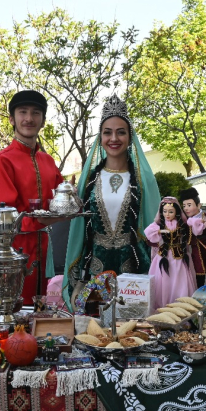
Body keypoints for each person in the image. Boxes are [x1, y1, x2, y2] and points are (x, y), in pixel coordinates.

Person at [62, 94, 160, 311]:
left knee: (131, 327)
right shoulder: (89, 180)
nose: (114, 138)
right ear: (100, 137)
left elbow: (155, 229)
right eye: (107, 132)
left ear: (130, 137)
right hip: (96, 265)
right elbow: (79, 227)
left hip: (133, 265)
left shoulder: (145, 179)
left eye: (121, 132)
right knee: (95, 328)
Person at [0, 90, 64, 305]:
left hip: (46, 251)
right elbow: (4, 218)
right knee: (13, 317)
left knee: (44, 316)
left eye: (36, 113)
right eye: (23, 112)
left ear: (43, 120)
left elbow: (63, 201)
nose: (29, 118)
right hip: (11, 252)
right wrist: (42, 221)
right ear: (12, 118)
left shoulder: (48, 161)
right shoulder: (0, 162)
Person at [144, 197, 205, 309]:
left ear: (176, 212)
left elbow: (194, 230)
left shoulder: (181, 224)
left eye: (171, 211)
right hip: (163, 257)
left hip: (179, 258)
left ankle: (180, 308)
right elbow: (149, 234)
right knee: (162, 282)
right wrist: (159, 231)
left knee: (179, 283)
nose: (167, 214)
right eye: (165, 211)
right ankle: (162, 307)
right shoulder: (158, 224)